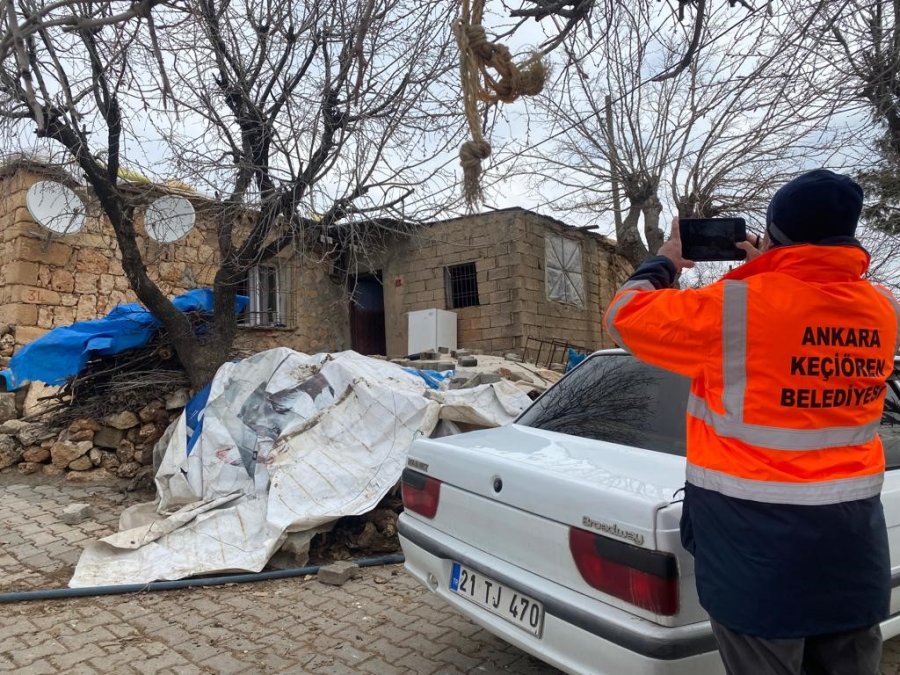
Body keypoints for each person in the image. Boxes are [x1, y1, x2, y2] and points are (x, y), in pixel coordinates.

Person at [603, 169, 900, 675]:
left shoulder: (736, 307)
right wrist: (775, 268)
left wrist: (668, 259)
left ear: (777, 233)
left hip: (756, 549)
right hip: (852, 546)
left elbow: (625, 315)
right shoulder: (882, 308)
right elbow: (808, 317)